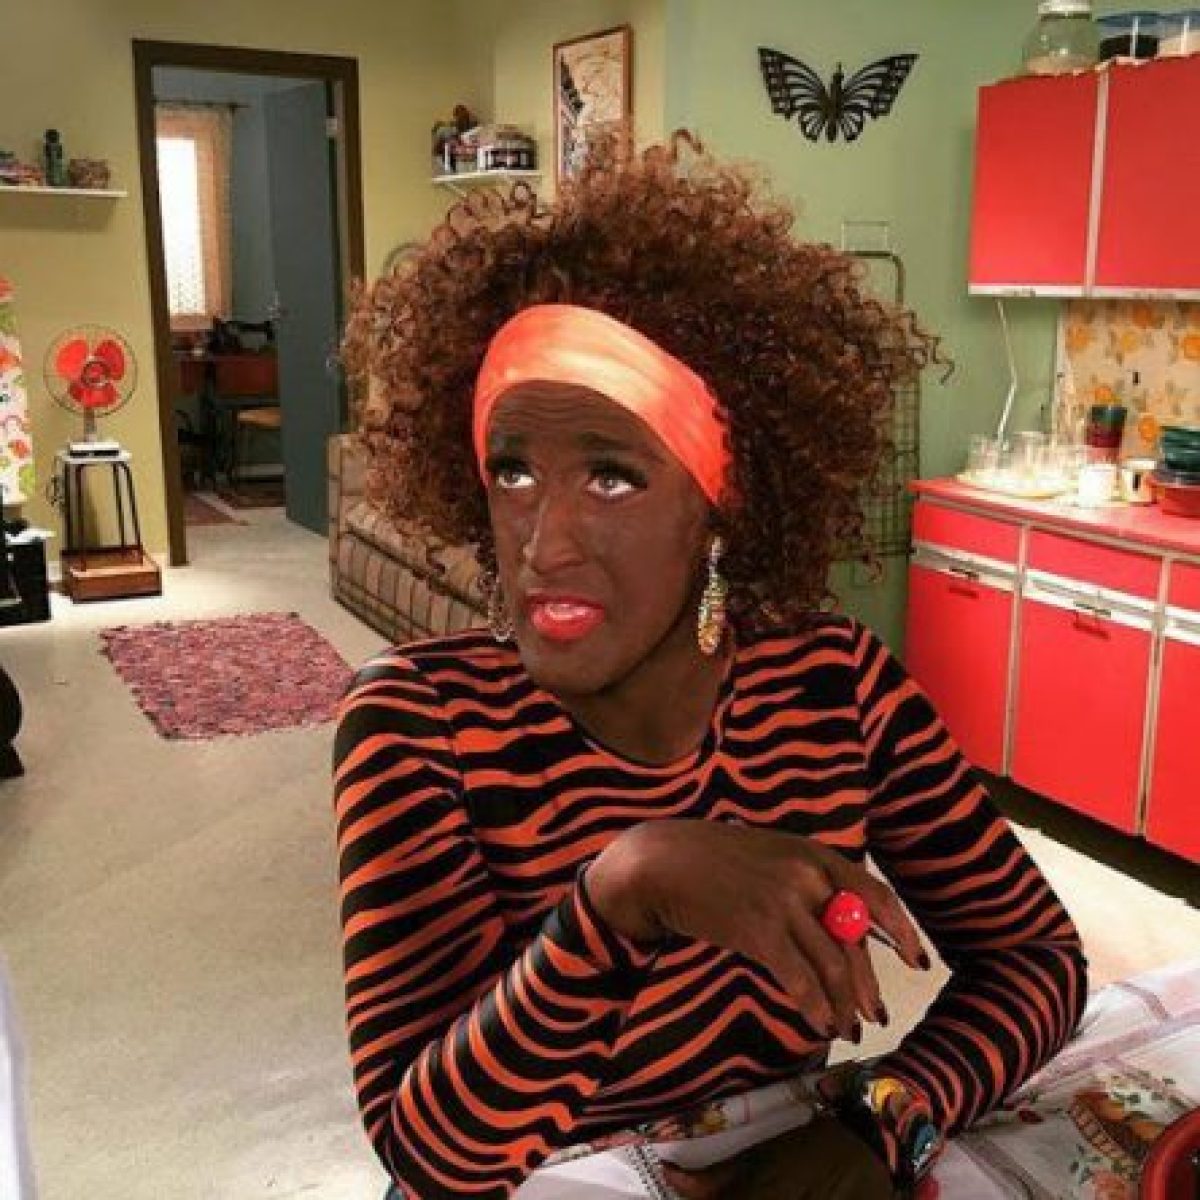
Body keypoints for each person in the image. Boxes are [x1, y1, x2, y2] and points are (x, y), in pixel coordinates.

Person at [335, 132, 1088, 1200]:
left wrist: (886, 1118)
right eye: (512, 471)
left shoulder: (837, 688)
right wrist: (624, 895)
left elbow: (1037, 961)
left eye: (611, 477)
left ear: (719, 507)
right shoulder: (419, 725)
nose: (542, 543)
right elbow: (432, 1158)